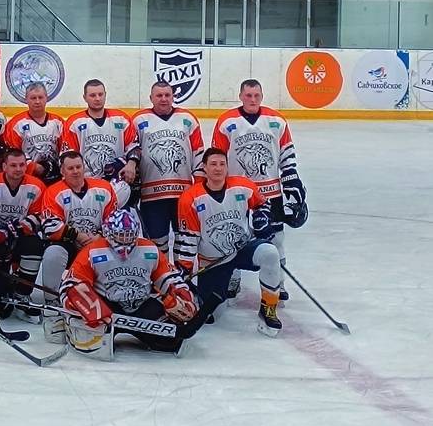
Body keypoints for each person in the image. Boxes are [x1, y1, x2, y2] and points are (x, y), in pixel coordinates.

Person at [60, 207, 211, 354]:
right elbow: (70, 286)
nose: (126, 241)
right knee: (91, 342)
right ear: (108, 233)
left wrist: (182, 295)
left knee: (169, 341)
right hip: (107, 309)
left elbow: (169, 277)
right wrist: (89, 307)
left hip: (141, 305)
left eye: (129, 235)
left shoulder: (149, 249)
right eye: (121, 235)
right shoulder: (93, 252)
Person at [212, 77, 307, 300]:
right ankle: (232, 278)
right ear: (241, 96)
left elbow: (287, 154)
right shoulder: (227, 121)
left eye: (256, 95)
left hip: (271, 193)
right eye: (248, 95)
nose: (252, 99)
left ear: (262, 96)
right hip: (238, 193)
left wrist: (291, 182)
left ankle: (278, 282)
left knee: (277, 239)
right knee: (234, 236)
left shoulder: (276, 120)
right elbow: (218, 157)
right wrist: (219, 187)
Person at [175, 148, 283, 336]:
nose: (218, 168)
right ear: (204, 168)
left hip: (242, 248)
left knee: (270, 253)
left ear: (227, 167)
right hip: (213, 262)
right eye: (213, 164)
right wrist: (183, 268)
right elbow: (189, 238)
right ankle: (229, 281)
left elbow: (263, 204)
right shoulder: (190, 199)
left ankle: (268, 310)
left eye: (222, 164)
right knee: (212, 316)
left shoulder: (243, 187)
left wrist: (262, 217)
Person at [33, 150, 120, 305]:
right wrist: (78, 236)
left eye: (78, 167)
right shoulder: (53, 192)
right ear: (62, 171)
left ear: (83, 167)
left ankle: (111, 297)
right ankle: (52, 300)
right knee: (53, 253)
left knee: (119, 249)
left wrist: (99, 236)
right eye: (70, 168)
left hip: (97, 242)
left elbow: (115, 220)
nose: (75, 171)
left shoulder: (104, 188)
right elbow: (50, 227)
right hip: (68, 243)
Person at [131, 81, 204, 252]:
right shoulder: (138, 120)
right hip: (151, 196)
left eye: (167, 95)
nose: (163, 99)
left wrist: (199, 188)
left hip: (183, 195)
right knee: (157, 245)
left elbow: (198, 153)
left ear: (173, 97)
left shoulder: (188, 119)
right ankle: (162, 270)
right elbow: (132, 152)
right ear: (151, 98)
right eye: (159, 95)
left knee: (185, 242)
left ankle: (181, 270)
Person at [0, 148, 45, 312]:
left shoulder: (36, 186)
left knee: (35, 245)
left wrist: (9, 231)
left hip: (19, 237)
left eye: (22, 165)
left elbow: (38, 217)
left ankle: (22, 292)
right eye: (13, 165)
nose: (18, 169)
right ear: (4, 167)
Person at [61, 79, 140, 186]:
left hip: (117, 183)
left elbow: (134, 147)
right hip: (87, 184)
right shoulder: (74, 123)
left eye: (100, 94)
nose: (97, 98)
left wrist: (131, 164)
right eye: (92, 95)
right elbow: (68, 156)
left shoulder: (121, 119)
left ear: (105, 95)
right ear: (84, 97)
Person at [3, 81, 62, 182]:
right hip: (26, 178)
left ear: (46, 98)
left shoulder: (58, 123)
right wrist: (34, 167)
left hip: (54, 176)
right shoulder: (15, 124)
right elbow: (12, 153)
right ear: (26, 99)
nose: (37, 101)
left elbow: (66, 149)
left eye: (40, 97)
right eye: (33, 98)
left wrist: (60, 166)